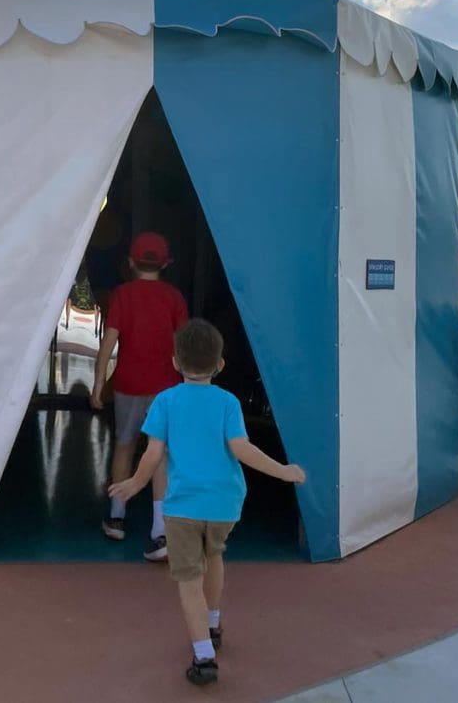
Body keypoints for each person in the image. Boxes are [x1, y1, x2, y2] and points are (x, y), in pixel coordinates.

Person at [109, 319, 306, 687]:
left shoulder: (165, 402)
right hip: (224, 504)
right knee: (214, 556)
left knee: (188, 579)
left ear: (174, 362)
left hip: (183, 506)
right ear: (220, 365)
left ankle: (203, 656)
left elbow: (153, 454)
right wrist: (283, 471)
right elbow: (241, 449)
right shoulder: (228, 403)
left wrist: (134, 484)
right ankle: (213, 624)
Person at [91, 231, 188, 561]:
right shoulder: (174, 298)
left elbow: (109, 341)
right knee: (159, 454)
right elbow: (183, 346)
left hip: (128, 385)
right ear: (167, 264)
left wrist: (97, 383)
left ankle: (117, 517)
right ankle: (160, 533)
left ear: (129, 263)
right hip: (166, 387)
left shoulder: (122, 295)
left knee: (124, 445)